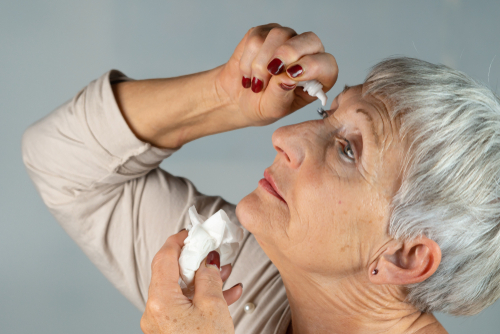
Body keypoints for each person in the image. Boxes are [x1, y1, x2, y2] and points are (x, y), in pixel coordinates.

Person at [22, 22, 500, 333]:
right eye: (328, 113)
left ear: (405, 256)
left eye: (347, 150)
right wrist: (226, 97)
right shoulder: (247, 276)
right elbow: (62, 162)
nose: (285, 135)